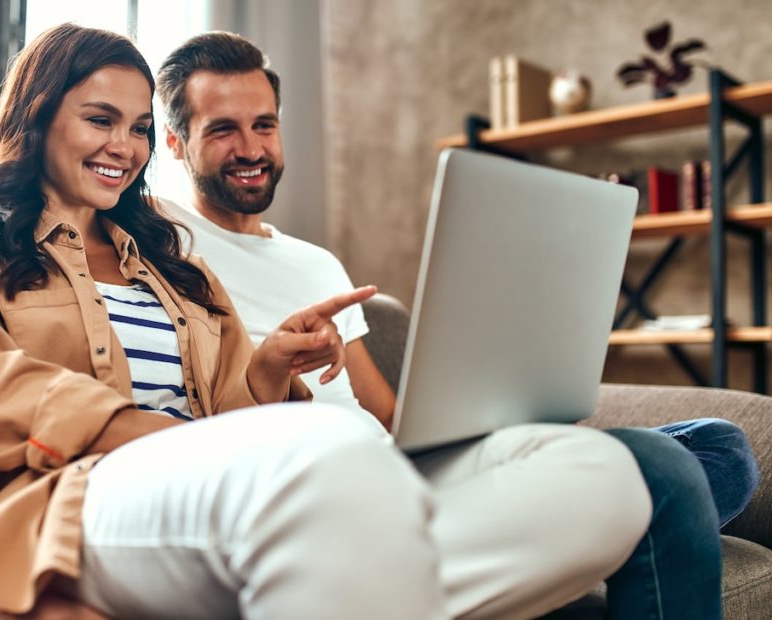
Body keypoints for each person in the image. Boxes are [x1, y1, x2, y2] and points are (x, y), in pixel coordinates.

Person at [0, 23, 656, 620]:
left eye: (134, 128)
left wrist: (265, 371)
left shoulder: (172, 263)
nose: (123, 148)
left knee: (599, 478)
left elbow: (231, 411)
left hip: (216, 490)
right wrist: (156, 435)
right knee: (336, 456)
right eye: (101, 120)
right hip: (72, 503)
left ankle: (329, 579)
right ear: (38, 116)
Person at [155, 31, 760, 618]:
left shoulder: (317, 263)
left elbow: (388, 414)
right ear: (176, 144)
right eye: (222, 130)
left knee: (720, 445)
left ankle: (573, 533)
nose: (252, 149)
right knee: (665, 477)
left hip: (407, 465)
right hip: (342, 488)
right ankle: (590, 533)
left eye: (264, 124)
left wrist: (487, 411)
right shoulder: (163, 245)